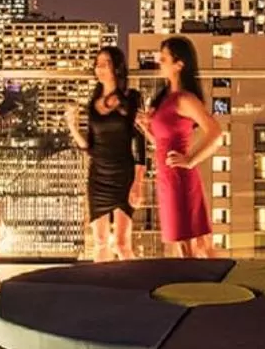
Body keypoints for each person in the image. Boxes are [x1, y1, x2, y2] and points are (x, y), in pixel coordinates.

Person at [70, 45, 147, 262]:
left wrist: (138, 182)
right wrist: (73, 127)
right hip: (98, 177)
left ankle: (134, 289)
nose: (99, 68)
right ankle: (102, 291)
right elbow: (90, 148)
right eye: (97, 64)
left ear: (117, 68)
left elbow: (139, 143)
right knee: (101, 241)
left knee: (122, 243)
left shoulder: (131, 98)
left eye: (105, 64)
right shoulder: (93, 104)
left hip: (123, 174)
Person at [148, 35, 223, 258]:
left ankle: (208, 286)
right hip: (166, 177)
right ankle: (198, 285)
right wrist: (146, 127)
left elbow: (216, 132)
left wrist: (190, 160)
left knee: (192, 244)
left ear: (179, 65)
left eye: (164, 59)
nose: (159, 63)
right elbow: (160, 142)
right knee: (183, 244)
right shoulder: (165, 98)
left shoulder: (184, 99)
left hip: (179, 178)